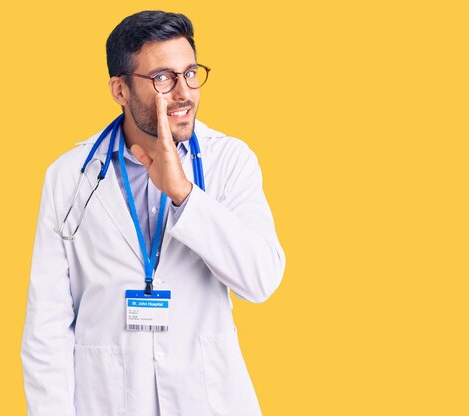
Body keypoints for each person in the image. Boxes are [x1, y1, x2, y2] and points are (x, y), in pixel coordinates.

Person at [20, 10, 285, 416]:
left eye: (190, 72)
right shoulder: (69, 176)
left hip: (208, 399)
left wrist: (184, 194)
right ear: (120, 89)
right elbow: (47, 328)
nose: (184, 92)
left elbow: (261, 279)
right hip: (108, 400)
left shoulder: (230, 160)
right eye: (162, 77)